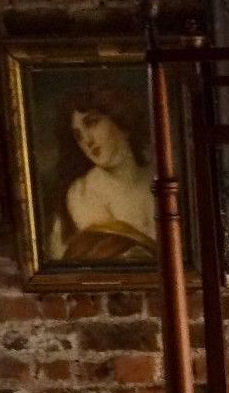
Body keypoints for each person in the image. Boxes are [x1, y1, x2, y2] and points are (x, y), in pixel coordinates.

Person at [48, 85, 155, 264]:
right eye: (78, 136)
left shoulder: (159, 178)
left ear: (121, 119)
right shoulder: (82, 193)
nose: (87, 141)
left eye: (92, 123)